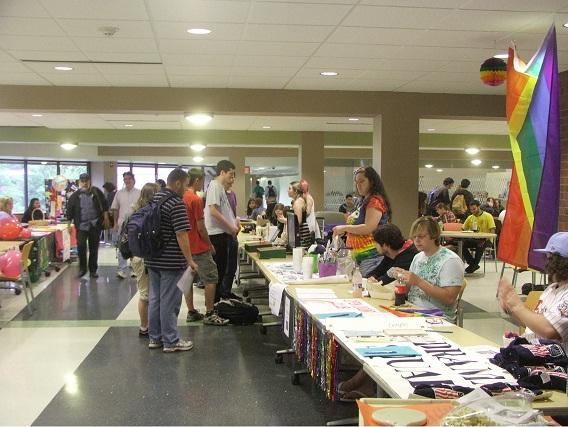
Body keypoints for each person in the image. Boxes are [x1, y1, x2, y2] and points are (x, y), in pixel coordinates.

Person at [144, 168, 197, 353]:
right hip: (171, 261)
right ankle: (171, 341)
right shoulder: (176, 203)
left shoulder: (155, 199)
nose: (187, 188)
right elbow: (182, 234)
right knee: (169, 301)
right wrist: (190, 260)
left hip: (152, 259)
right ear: (177, 183)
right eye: (186, 184)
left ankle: (155, 338)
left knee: (155, 299)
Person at [498, 232, 568, 352]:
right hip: (531, 352)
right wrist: (510, 308)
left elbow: (549, 330)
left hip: (552, 362)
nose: (546, 264)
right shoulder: (552, 288)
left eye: (550, 258)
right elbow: (534, 323)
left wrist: (517, 306)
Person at [394, 216, 465, 323]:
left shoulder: (451, 261)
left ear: (434, 235)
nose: (416, 240)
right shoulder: (418, 257)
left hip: (438, 318)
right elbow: (408, 290)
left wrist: (418, 281)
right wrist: (402, 279)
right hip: (412, 311)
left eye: (421, 236)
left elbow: (449, 298)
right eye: (414, 237)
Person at [182, 168, 229, 325]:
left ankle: (191, 311)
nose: (203, 184)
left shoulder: (180, 197)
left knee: (188, 279)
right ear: (197, 181)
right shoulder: (194, 199)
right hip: (198, 246)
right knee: (211, 277)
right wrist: (209, 244)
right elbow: (201, 227)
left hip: (184, 246)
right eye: (202, 181)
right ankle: (210, 312)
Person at [333, 166, 391, 277]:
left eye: (362, 181)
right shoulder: (363, 201)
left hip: (371, 258)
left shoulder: (375, 201)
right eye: (356, 182)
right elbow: (357, 225)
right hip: (359, 258)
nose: (358, 185)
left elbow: (369, 227)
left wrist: (345, 228)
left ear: (372, 182)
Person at [205, 160, 240, 302]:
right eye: (230, 175)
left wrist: (233, 222)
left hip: (222, 234)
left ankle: (217, 302)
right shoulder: (214, 186)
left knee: (222, 270)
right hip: (216, 235)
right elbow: (213, 211)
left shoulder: (220, 187)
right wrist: (231, 227)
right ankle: (214, 305)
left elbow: (223, 211)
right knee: (218, 272)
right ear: (222, 172)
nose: (232, 179)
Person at [130, 182, 161, 337]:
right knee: (150, 294)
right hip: (149, 257)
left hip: (136, 256)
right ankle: (148, 326)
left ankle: (145, 326)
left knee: (144, 293)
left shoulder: (134, 211)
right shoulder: (153, 213)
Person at [66, 173, 110, 279]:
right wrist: (68, 224)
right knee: (81, 246)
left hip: (95, 225)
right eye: (82, 181)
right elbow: (70, 210)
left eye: (86, 181)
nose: (85, 183)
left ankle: (93, 270)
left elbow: (104, 205)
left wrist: (106, 217)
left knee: (94, 248)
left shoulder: (97, 192)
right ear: (80, 182)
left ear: (90, 181)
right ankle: (82, 269)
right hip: (81, 225)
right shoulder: (75, 195)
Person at [111, 172, 141, 279]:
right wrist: (115, 223)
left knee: (135, 246)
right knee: (122, 246)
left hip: (136, 224)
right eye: (125, 179)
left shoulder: (139, 193)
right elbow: (115, 209)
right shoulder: (119, 193)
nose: (127, 181)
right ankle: (121, 270)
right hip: (122, 224)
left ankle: (134, 269)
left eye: (129, 179)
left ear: (133, 180)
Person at [462, 200, 496, 274]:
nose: (472, 211)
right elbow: (463, 228)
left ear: (479, 207)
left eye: (474, 209)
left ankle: (473, 265)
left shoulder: (488, 216)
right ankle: (473, 264)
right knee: (461, 245)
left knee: (480, 244)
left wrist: (485, 240)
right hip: (474, 239)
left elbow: (492, 231)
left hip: (487, 240)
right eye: (471, 210)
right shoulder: (470, 217)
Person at [223, 179, 241, 302]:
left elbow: (233, 214)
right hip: (223, 234)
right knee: (224, 266)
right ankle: (222, 293)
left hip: (233, 233)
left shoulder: (232, 194)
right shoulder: (219, 195)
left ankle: (227, 291)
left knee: (232, 266)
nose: (232, 180)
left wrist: (236, 225)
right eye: (230, 176)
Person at [287, 181, 314, 247]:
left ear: (295, 191)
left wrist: (285, 220)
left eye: (289, 188)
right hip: (303, 233)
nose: (287, 190)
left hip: (302, 235)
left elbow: (298, 221)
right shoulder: (300, 200)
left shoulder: (298, 202)